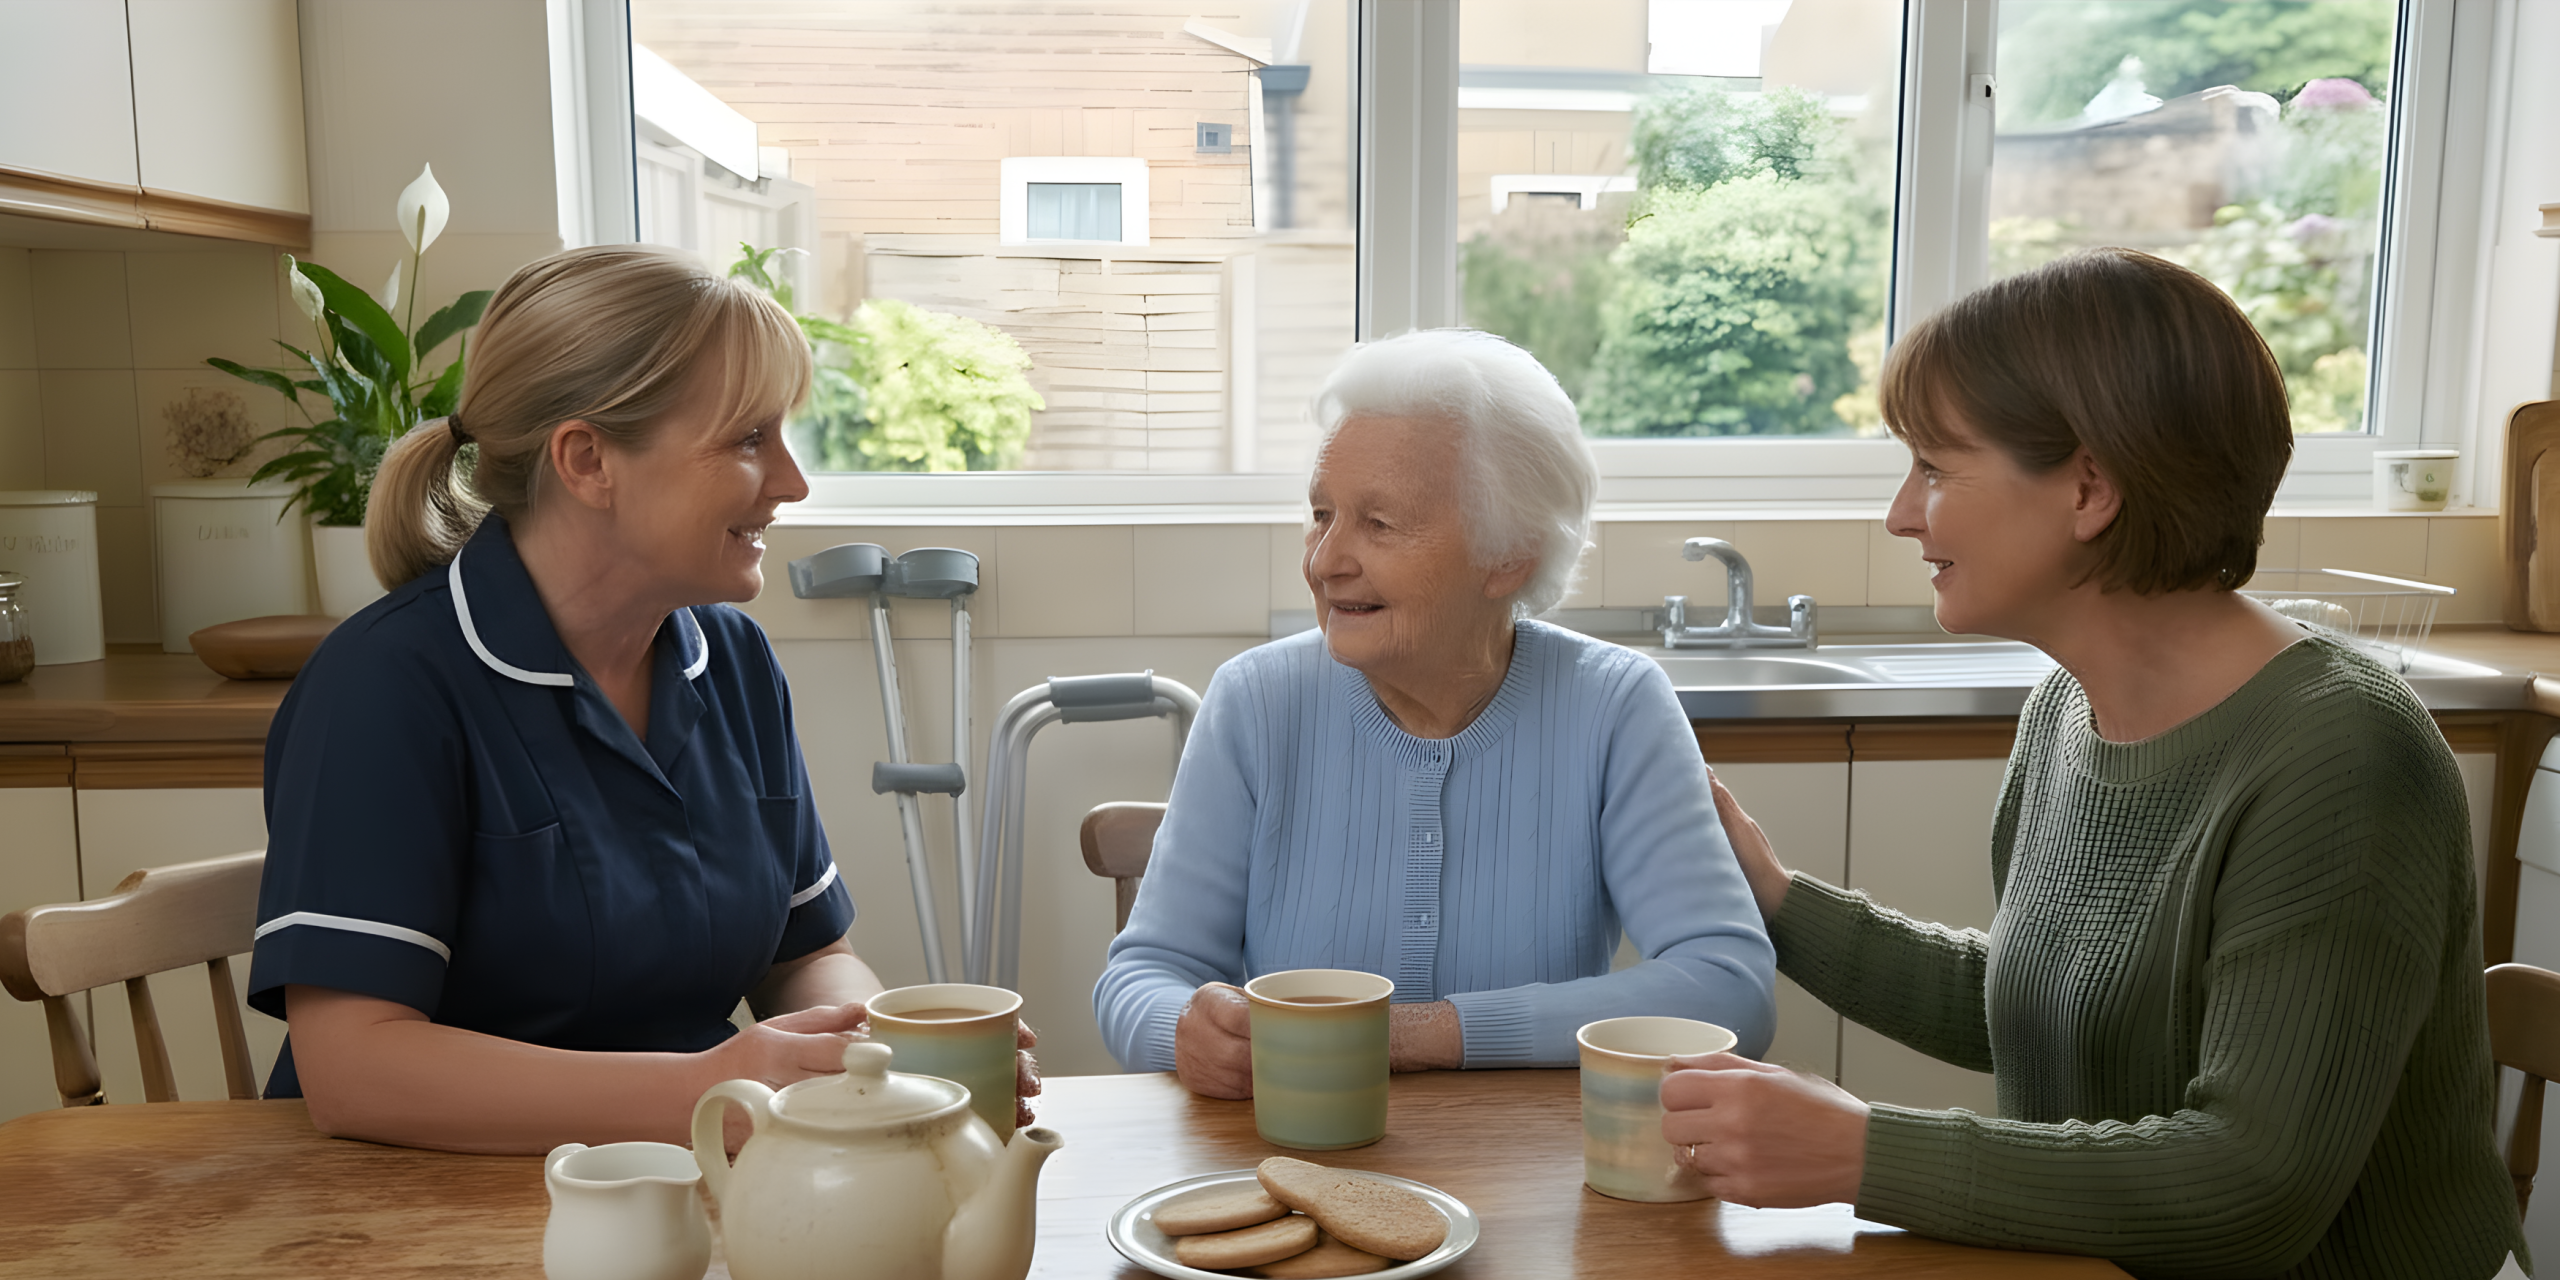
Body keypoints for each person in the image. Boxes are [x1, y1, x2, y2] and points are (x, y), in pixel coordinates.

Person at [1662, 248, 2525, 1279]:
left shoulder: (2339, 757)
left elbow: (2252, 1186)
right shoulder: (2071, 705)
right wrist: (1773, 897)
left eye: (1935, 467)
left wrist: (1858, 1151)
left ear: (2088, 487)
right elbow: (2045, 998)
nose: (1901, 512)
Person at [247, 245, 1033, 1154]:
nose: (792, 481)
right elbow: (356, 1072)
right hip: (407, 1209)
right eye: (748, 440)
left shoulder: (728, 660)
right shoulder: (386, 685)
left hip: (677, 1183)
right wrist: (709, 1086)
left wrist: (885, 1056)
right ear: (587, 461)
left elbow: (807, 957)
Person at [1094, 329, 1775, 1094]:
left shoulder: (1614, 705)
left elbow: (1729, 988)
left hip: (1528, 1175)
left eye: (1379, 525)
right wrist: (1183, 1028)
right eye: (1322, 515)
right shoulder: (1255, 700)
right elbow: (1143, 974)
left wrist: (1421, 1034)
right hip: (1292, 1159)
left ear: (1508, 554)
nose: (1325, 560)